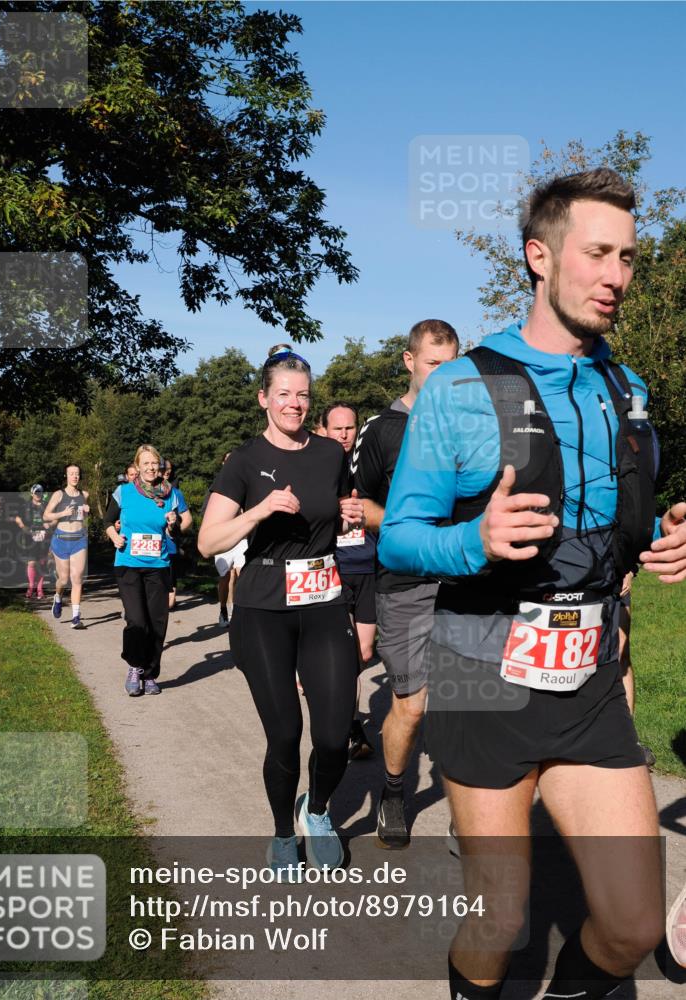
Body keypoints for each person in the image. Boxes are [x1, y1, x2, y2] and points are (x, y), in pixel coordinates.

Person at [379, 168, 685, 1000]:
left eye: (628, 256)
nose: (618, 275)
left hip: (586, 678)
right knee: (500, 920)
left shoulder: (625, 388)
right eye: (598, 253)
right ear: (539, 256)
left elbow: (606, 525)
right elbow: (401, 539)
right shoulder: (461, 388)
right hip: (481, 675)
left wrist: (660, 540)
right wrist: (473, 541)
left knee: (632, 925)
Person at [198, 345, 364, 876]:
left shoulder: (331, 454)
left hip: (322, 599)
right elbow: (207, 541)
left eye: (303, 396)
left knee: (336, 733)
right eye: (284, 394)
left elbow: (333, 516)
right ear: (264, 398)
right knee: (286, 734)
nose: (294, 404)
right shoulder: (245, 461)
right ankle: (280, 833)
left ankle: (316, 811)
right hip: (264, 607)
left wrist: (350, 514)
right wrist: (260, 509)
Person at [354, 319, 459, 846]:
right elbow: (357, 505)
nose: (444, 374)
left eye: (452, 364)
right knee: (412, 704)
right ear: (409, 360)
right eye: (434, 363)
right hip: (405, 584)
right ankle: (394, 791)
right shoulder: (382, 431)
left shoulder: (470, 424)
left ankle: (473, 809)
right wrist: (406, 529)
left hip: (466, 582)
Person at [105, 445, 190, 695]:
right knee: (137, 621)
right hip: (128, 564)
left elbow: (177, 529)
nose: (151, 467)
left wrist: (174, 524)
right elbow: (108, 521)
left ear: (159, 466)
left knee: (157, 622)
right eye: (146, 464)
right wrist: (114, 536)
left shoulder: (170, 495)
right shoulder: (124, 492)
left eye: (155, 463)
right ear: (138, 466)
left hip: (158, 565)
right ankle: (134, 667)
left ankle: (151, 674)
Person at [321, 401, 378, 760]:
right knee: (341, 654)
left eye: (349, 428)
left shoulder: (367, 469)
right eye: (337, 428)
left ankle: (340, 709)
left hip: (367, 569)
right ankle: (349, 725)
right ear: (323, 430)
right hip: (333, 571)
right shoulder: (317, 468)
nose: (343, 434)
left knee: (364, 652)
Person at [617, 571, 656, 768]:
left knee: (621, 651)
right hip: (574, 581)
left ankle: (628, 740)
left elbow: (633, 539)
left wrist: (629, 570)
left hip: (614, 576)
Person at [44, 464, 90, 629]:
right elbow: (46, 515)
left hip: (79, 539)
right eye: (71, 474)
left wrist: (86, 511)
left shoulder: (85, 494)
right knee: (63, 579)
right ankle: (57, 596)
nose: (75, 476)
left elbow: (83, 519)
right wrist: (63, 513)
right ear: (66, 476)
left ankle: (76, 617)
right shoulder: (59, 494)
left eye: (77, 474)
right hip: (61, 539)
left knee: (77, 578)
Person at [211, 453, 248, 627]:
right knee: (225, 577)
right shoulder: (216, 486)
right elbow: (207, 513)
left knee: (243, 574)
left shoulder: (247, 484)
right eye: (227, 460)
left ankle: (241, 611)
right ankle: (223, 610)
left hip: (241, 538)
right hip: (223, 539)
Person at [161, 459, 191, 610]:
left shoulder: (175, 493)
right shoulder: (139, 491)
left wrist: (174, 533)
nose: (167, 471)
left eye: (170, 469)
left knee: (169, 603)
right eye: (164, 468)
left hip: (169, 546)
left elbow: (188, 520)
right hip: (149, 547)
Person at [14, 484, 51, 599]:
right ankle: (31, 587)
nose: (38, 494)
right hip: (30, 535)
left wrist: (49, 526)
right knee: (31, 562)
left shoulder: (46, 506)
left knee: (42, 563)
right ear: (32, 494)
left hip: (44, 536)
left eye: (40, 492)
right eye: (36, 492)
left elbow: (54, 518)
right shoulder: (26, 506)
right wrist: (23, 527)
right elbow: (17, 517)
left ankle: (40, 590)